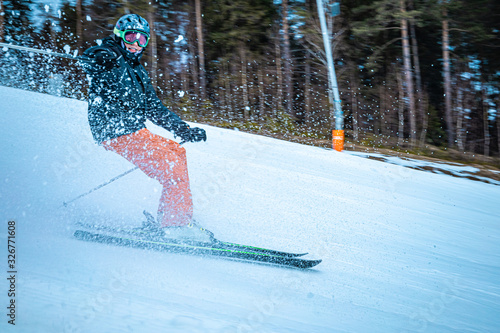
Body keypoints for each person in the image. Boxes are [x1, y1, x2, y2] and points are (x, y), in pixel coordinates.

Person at [79, 14, 210, 241]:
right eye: (131, 37)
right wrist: (100, 56)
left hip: (134, 130)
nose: (136, 44)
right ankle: (175, 226)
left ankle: (172, 217)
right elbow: (89, 60)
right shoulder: (108, 57)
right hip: (115, 130)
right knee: (173, 172)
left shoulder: (137, 70)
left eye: (142, 40)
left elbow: (154, 108)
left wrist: (183, 129)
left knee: (177, 152)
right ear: (120, 36)